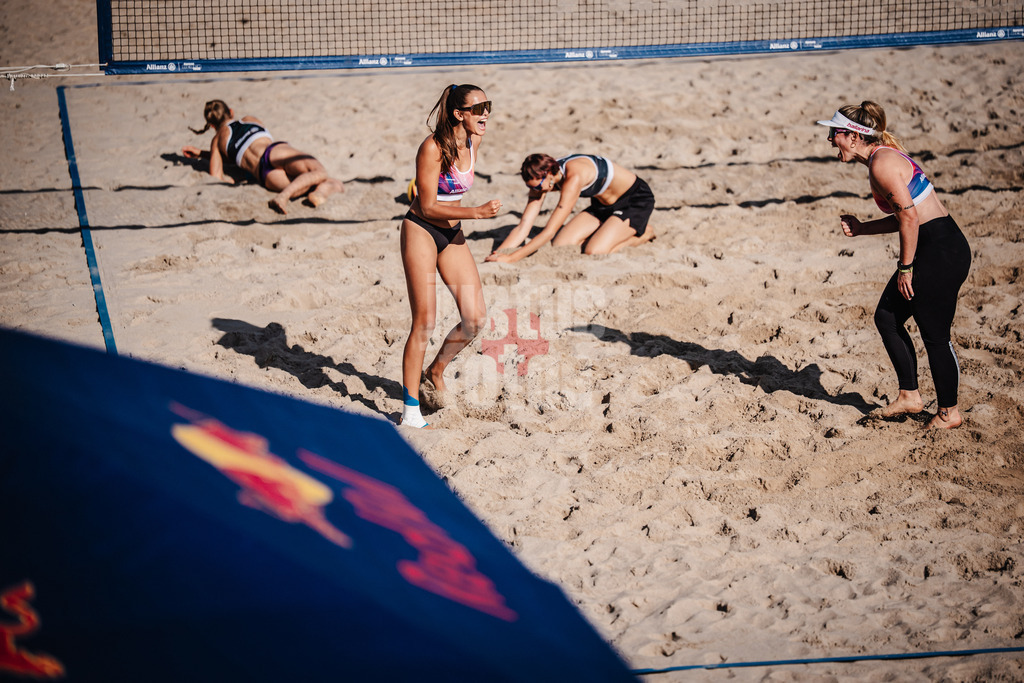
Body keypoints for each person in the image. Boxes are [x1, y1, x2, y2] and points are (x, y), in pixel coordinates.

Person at [818, 101, 971, 429]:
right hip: (936, 244)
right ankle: (910, 396)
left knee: (934, 335)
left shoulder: (882, 164)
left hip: (941, 251)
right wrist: (862, 229)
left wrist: (906, 267)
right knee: (887, 317)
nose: (831, 141)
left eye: (834, 134)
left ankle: (949, 413)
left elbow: (910, 218)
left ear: (854, 136)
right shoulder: (879, 158)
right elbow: (904, 217)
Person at [399, 84, 502, 428]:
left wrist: (466, 215)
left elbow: (453, 198)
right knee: (424, 322)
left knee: (475, 318)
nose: (486, 113)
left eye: (488, 105)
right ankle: (410, 408)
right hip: (421, 230)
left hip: (452, 232)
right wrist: (478, 213)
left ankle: (435, 371)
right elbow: (427, 206)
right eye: (479, 107)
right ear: (459, 114)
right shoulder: (431, 148)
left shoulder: (475, 141)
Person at [485, 153, 655, 263]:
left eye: (538, 187)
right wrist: (499, 253)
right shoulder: (543, 179)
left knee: (594, 251)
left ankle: (643, 234)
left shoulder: (573, 177)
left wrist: (512, 258)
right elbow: (524, 225)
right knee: (561, 245)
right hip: (603, 205)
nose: (537, 192)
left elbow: (549, 231)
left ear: (549, 174)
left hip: (634, 201)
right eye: (533, 188)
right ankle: (610, 230)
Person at [181, 99, 343, 213]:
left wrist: (202, 155)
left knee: (332, 183)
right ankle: (284, 197)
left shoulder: (217, 141)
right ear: (231, 112)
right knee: (320, 172)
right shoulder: (249, 119)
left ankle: (318, 193)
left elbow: (216, 174)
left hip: (263, 174)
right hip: (273, 152)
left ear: (211, 125)